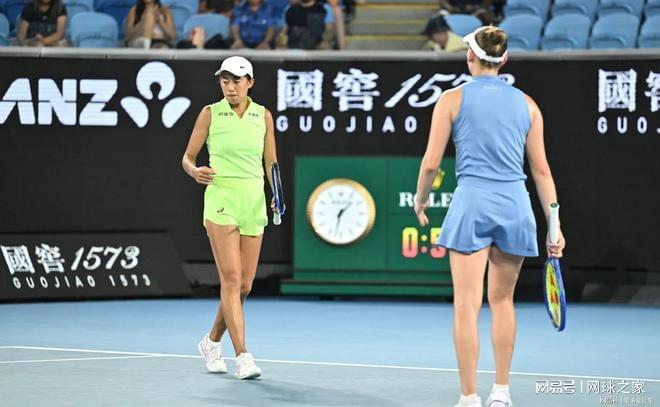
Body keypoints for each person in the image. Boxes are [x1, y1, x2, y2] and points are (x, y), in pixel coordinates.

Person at [413, 26, 565, 407]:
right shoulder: (528, 105)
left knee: (466, 305)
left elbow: (431, 163)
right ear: (504, 60)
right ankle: (501, 392)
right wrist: (554, 227)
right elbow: (542, 171)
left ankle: (469, 397)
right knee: (503, 302)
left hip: (472, 206)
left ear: (470, 56)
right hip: (515, 207)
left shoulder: (451, 100)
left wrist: (421, 199)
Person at [182, 56, 278, 380]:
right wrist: (194, 171)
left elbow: (271, 163)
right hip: (221, 200)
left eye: (236, 80)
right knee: (232, 280)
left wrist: (277, 194)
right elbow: (187, 157)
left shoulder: (263, 115)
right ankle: (243, 356)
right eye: (225, 81)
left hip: (254, 201)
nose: (230, 87)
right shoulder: (209, 113)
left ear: (250, 82)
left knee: (245, 286)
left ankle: (211, 342)